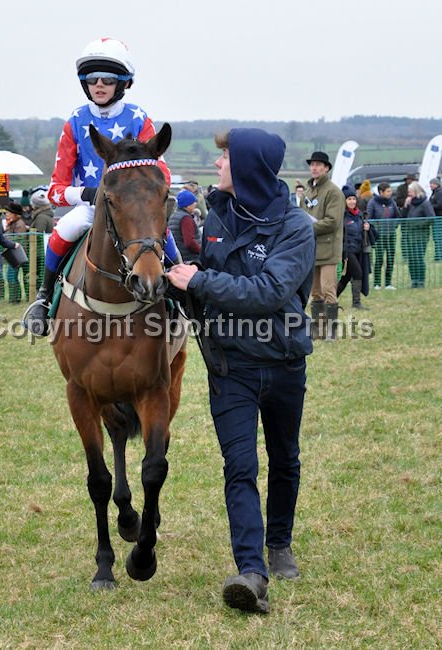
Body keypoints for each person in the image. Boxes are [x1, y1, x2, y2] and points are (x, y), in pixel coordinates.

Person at [167, 128, 315, 615]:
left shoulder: (296, 226)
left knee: (284, 458)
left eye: (226, 157)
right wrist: (174, 277)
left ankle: (280, 543)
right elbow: (206, 282)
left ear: (248, 167)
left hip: (283, 363)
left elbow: (270, 291)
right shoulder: (215, 216)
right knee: (240, 466)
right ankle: (252, 572)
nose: (217, 165)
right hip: (230, 367)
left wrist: (200, 280)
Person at [24, 37, 179, 336]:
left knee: (166, 239)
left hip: (132, 208)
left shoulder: (138, 118)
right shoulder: (75, 121)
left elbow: (162, 174)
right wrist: (89, 194)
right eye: (92, 78)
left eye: (107, 79)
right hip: (90, 207)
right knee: (63, 232)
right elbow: (56, 189)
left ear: (123, 83)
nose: (99, 84)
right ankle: (44, 298)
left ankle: (178, 299)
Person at [301, 151, 344, 340]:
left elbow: (333, 221)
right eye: (312, 164)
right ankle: (318, 330)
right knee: (315, 292)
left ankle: (331, 331)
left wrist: (307, 227)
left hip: (328, 249)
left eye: (319, 165)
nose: (314, 168)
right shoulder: (307, 192)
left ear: (326, 168)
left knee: (328, 291)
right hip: (312, 248)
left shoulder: (334, 192)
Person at [337, 186, 377, 309]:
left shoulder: (360, 215)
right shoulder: (341, 216)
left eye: (353, 199)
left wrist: (368, 227)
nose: (352, 201)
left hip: (359, 250)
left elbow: (369, 233)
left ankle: (329, 300)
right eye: (349, 199)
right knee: (358, 273)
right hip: (347, 250)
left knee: (346, 278)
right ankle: (356, 303)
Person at [366, 182, 400, 289]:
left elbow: (397, 216)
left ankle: (388, 283)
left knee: (390, 259)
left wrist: (394, 226)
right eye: (388, 191)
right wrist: (376, 229)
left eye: (390, 191)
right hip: (379, 236)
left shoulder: (392, 202)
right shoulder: (373, 202)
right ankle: (377, 283)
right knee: (379, 259)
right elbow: (369, 218)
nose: (390, 193)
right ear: (381, 192)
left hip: (391, 235)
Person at [402, 181, 435, 288]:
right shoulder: (410, 203)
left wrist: (416, 224)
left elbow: (431, 218)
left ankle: (420, 281)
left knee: (418, 258)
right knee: (411, 259)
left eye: (410, 191)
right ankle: (414, 280)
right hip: (409, 236)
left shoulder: (425, 203)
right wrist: (405, 206)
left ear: (416, 191)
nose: (409, 194)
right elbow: (403, 216)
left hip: (421, 236)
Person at [167, 190, 202, 263]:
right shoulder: (186, 218)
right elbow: (189, 242)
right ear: (187, 205)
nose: (195, 204)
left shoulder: (174, 215)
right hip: (189, 259)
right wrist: (202, 251)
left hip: (180, 257)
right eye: (193, 202)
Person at [4, 203, 28, 303]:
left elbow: (19, 239)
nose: (6, 214)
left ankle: (15, 299)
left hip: (17, 255)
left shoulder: (19, 224)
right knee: (11, 276)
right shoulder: (12, 223)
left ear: (15, 214)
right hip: (13, 254)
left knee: (11, 276)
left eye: (8, 212)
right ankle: (14, 298)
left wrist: (5, 239)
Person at [428, 177, 442, 261]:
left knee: (438, 237)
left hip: (439, 218)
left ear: (437, 184)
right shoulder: (434, 193)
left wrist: (429, 207)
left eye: (432, 183)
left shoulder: (439, 193)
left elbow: (440, 205)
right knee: (436, 238)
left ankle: (439, 256)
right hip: (436, 218)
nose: (430, 185)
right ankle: (438, 255)